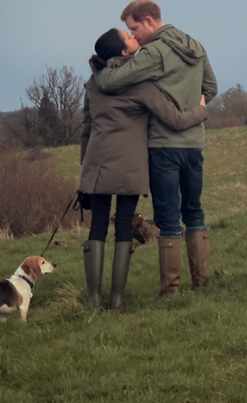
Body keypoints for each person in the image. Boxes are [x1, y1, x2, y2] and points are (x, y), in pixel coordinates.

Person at [79, 27, 209, 312]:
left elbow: (86, 129)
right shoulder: (143, 86)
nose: (133, 36)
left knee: (97, 226)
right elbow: (174, 119)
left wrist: (84, 173)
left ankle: (93, 301)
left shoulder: (93, 82)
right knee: (124, 226)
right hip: (131, 166)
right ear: (125, 52)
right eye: (128, 36)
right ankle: (117, 301)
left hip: (96, 165)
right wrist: (201, 109)